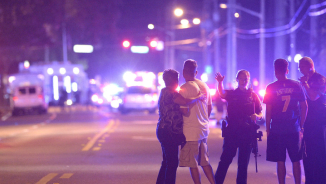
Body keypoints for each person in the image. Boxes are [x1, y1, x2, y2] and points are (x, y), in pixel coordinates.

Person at [156, 69, 204, 184]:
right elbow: (184, 101)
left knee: (166, 162)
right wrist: (198, 98)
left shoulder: (163, 91)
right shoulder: (171, 93)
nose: (177, 81)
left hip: (163, 130)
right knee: (172, 163)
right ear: (170, 80)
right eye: (176, 79)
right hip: (169, 132)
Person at [214, 69, 263, 184]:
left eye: (246, 78)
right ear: (237, 79)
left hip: (247, 132)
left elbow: (261, 113)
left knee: (243, 164)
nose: (244, 80)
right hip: (232, 131)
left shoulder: (253, 95)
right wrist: (220, 83)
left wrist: (257, 116)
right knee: (225, 160)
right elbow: (222, 93)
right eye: (241, 78)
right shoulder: (232, 94)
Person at [263, 59, 307, 184]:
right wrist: (301, 126)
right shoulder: (296, 85)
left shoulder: (270, 87)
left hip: (277, 129)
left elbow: (269, 111)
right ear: (287, 70)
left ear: (275, 71)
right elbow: (305, 106)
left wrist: (268, 129)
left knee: (280, 160)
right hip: (293, 128)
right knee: (296, 160)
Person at [178, 59, 216, 184]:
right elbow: (209, 106)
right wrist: (204, 119)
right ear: (196, 72)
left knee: (193, 164)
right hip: (203, 130)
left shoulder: (184, 88)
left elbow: (183, 111)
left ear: (183, 72)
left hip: (190, 132)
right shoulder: (205, 86)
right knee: (205, 162)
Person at [298, 57, 326, 184]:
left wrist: (305, 84)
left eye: (302, 66)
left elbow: (314, 97)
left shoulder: (320, 79)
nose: (299, 69)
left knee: (319, 154)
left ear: (310, 66)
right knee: (307, 154)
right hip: (307, 123)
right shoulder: (304, 81)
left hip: (319, 123)